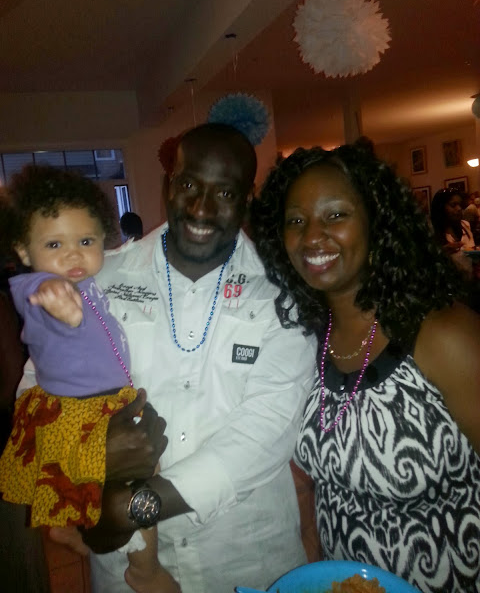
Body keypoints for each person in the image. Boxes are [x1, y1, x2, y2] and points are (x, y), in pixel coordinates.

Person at [19, 124, 317, 593]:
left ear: (247, 198)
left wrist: (134, 507)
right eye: (189, 185)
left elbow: (267, 430)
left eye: (225, 193)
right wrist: (87, 451)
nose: (201, 208)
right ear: (169, 184)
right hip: (121, 568)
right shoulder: (100, 278)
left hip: (245, 559)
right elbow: (35, 389)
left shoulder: (281, 292)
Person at [251, 143, 480, 593]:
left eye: (335, 215)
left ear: (378, 221)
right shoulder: (305, 341)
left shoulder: (443, 334)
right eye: (296, 221)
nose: (312, 236)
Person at [0, 165, 177, 593]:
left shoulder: (88, 283)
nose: (73, 256)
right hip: (84, 410)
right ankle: (145, 568)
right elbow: (41, 296)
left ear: (103, 240)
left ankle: (65, 525)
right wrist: (55, 298)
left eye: (85, 241)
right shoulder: (43, 289)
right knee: (139, 479)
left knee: (97, 484)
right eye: (54, 244)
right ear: (23, 250)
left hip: (88, 401)